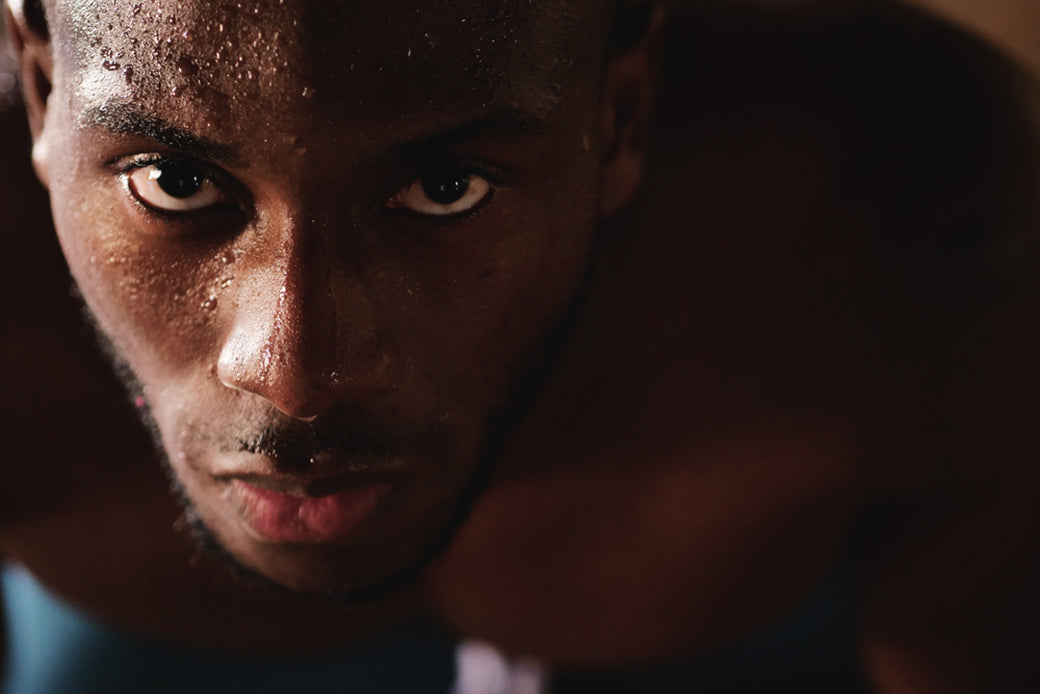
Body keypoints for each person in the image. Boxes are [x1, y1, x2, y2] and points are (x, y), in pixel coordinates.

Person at [2, 0, 1038, 691]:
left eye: (442, 188)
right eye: (174, 183)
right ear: (42, 90)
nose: (297, 375)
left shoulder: (924, 245)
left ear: (617, 114)